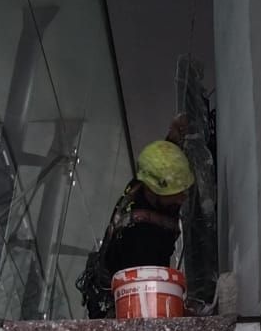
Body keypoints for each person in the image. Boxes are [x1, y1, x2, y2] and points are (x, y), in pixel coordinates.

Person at [77, 134, 194, 317]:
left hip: (109, 274)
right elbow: (148, 306)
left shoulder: (141, 184)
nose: (182, 197)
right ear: (154, 189)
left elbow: (161, 168)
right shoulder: (143, 242)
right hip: (118, 301)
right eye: (176, 193)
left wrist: (173, 138)